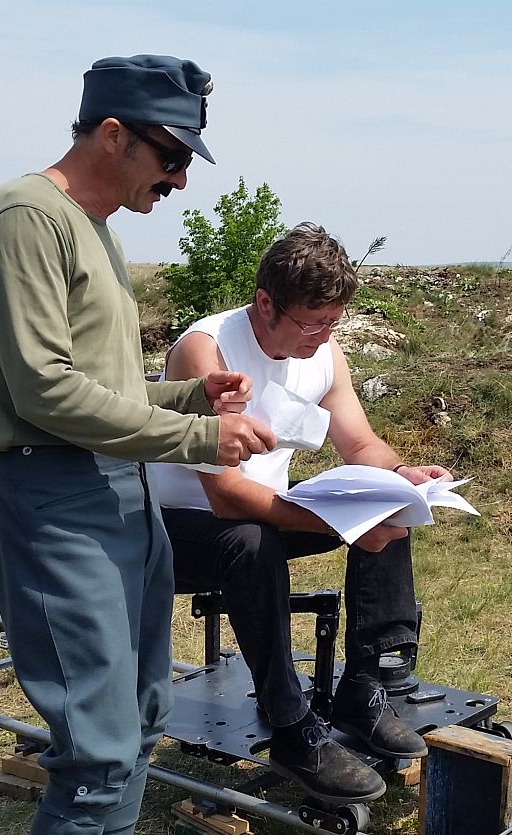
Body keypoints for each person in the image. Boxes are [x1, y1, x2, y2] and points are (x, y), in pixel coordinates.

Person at [0, 55, 275, 835]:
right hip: (62, 502)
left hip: (122, 497)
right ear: (110, 134)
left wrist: (190, 394)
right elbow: (46, 392)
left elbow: (107, 385)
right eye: (170, 157)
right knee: (96, 751)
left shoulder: (95, 228)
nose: (179, 180)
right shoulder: (25, 218)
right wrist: (199, 436)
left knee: (137, 728)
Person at [151, 223, 453, 804]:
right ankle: (291, 726)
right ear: (265, 303)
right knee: (250, 543)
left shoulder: (324, 352)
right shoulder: (206, 349)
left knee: (388, 503)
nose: (322, 336)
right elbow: (225, 496)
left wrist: (402, 475)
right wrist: (336, 523)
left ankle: (365, 685)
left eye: (332, 322)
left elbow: (360, 444)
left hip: (259, 514)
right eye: (311, 323)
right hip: (175, 523)